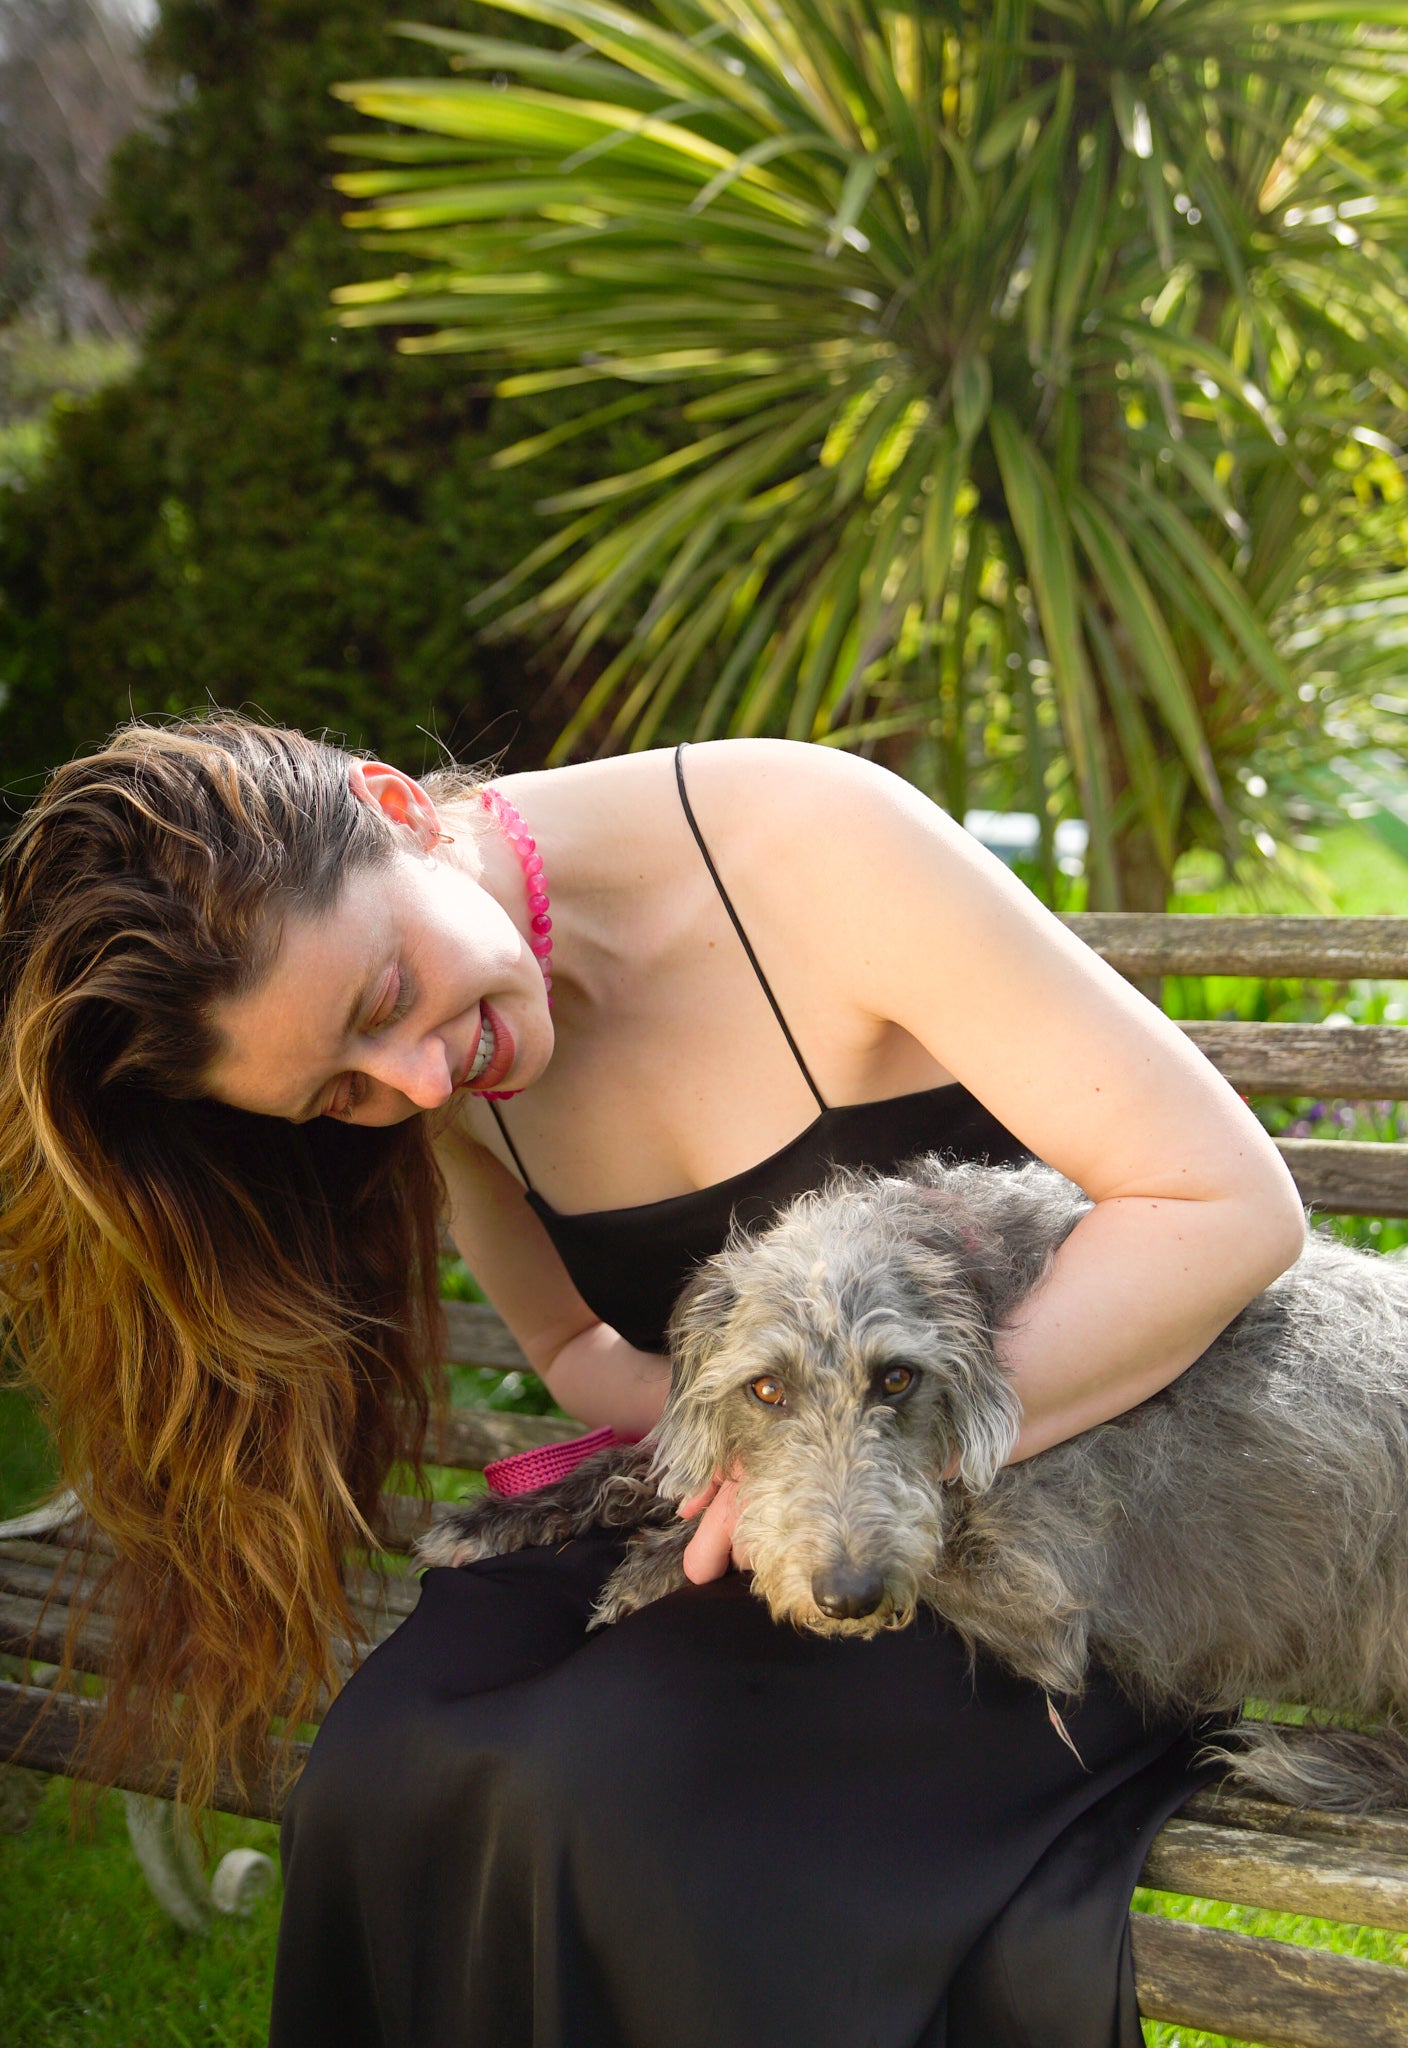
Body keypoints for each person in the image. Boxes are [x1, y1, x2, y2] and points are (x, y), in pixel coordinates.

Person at [0, 715, 1304, 2048]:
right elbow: (578, 1353)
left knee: (614, 1787)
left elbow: (1228, 1207)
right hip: (762, 1520)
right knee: (386, 1756)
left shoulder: (813, 845)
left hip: (1066, 1518)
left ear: (396, 805)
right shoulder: (435, 1058)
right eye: (337, 1094)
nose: (416, 1081)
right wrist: (751, 1456)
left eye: (386, 999)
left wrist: (863, 1457)